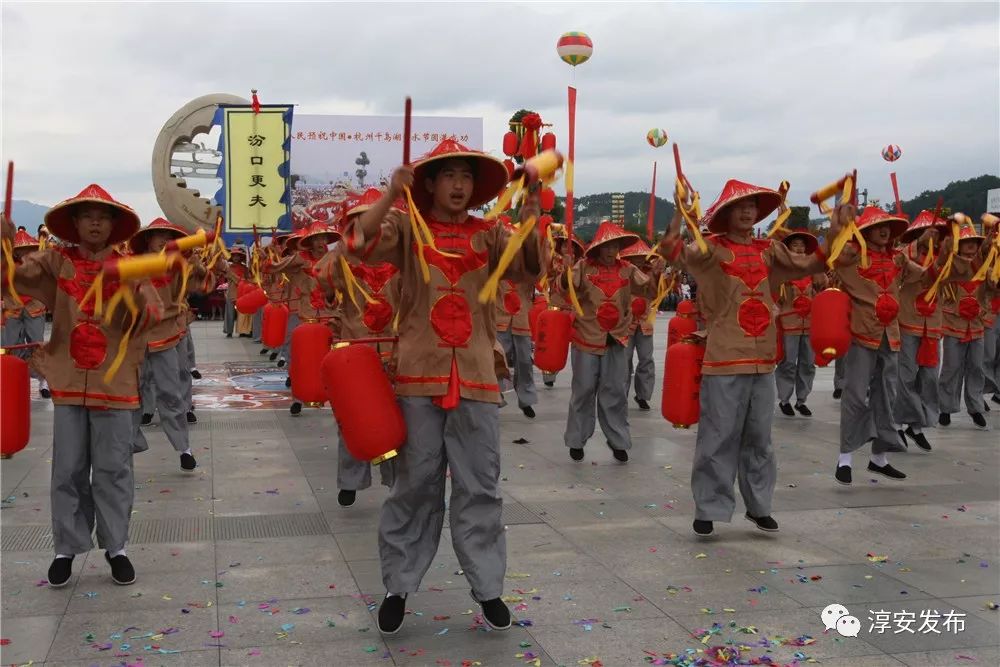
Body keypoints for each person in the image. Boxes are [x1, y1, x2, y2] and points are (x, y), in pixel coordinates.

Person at [346, 139, 542, 635]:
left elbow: (528, 266)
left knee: (480, 487)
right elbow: (359, 244)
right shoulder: (408, 230)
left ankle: (489, 587)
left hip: (476, 374)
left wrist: (533, 209)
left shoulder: (491, 233)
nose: (459, 186)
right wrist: (391, 194)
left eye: (467, 177)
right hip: (418, 374)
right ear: (429, 183)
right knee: (414, 485)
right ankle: (398, 585)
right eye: (449, 176)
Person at [2, 184, 163, 588]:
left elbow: (153, 313)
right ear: (74, 223)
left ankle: (116, 547)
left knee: (113, 469)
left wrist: (132, 301)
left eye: (103, 216)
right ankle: (65, 549)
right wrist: (3, 244)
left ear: (113, 224)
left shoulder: (129, 266)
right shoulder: (55, 262)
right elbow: (13, 279)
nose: (95, 222)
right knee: (68, 466)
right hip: (68, 378)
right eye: (87, 215)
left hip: (116, 379)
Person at [657, 179, 828, 536]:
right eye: (740, 206)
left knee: (760, 438)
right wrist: (678, 212)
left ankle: (759, 505)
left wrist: (841, 230)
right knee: (718, 436)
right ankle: (709, 506)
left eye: (752, 206)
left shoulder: (770, 251)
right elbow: (671, 250)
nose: (748, 211)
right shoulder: (710, 250)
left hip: (763, 358)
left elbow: (811, 264)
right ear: (726, 213)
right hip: (723, 356)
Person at [830, 206, 968, 487]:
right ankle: (844, 458)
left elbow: (929, 276)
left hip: (891, 335)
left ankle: (879, 458)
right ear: (866, 230)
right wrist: (839, 222)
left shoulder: (898, 259)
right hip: (861, 334)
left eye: (889, 227)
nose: (884, 231)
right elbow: (831, 251)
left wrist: (943, 247)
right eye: (878, 226)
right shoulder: (852, 258)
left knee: (887, 395)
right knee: (855, 395)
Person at [315, 188, 399, 507]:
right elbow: (321, 277)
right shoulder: (342, 263)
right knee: (353, 418)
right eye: (359, 223)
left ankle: (396, 479)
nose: (369, 228)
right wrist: (342, 249)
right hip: (355, 351)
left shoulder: (400, 263)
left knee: (396, 419)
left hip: (394, 350)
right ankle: (351, 481)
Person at [560, 220, 660, 462]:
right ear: (598, 247)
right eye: (607, 246)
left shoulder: (627, 269)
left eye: (615, 245)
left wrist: (656, 274)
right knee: (583, 390)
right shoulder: (583, 267)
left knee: (614, 391)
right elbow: (565, 289)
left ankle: (618, 440)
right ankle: (576, 439)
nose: (611, 251)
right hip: (586, 337)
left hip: (616, 338)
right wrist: (565, 268)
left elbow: (648, 291)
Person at [130, 218, 210, 469]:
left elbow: (203, 285)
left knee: (170, 391)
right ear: (147, 239)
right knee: (130, 393)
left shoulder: (178, 265)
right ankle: (127, 442)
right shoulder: (132, 264)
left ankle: (183, 448)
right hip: (135, 338)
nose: (163, 240)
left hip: (166, 334)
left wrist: (198, 263)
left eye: (168, 235)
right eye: (158, 235)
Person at [267, 221, 340, 415]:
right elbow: (276, 267)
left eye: (324, 238)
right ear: (311, 241)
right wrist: (268, 259)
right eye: (317, 238)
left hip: (330, 315)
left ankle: (335, 396)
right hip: (307, 314)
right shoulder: (300, 258)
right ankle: (297, 398)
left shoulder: (334, 258)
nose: (321, 242)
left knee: (332, 358)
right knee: (302, 358)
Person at [893, 210, 950, 450]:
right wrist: (918, 242)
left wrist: (946, 249)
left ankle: (916, 425)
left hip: (932, 326)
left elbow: (945, 274)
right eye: (929, 232)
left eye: (937, 234)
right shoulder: (904, 255)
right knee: (905, 376)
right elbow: (899, 265)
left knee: (928, 378)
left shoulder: (944, 259)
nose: (933, 237)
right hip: (908, 323)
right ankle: (899, 425)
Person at [938, 223, 996, 430]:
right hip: (955, 323)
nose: (971, 245)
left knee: (977, 367)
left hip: (977, 324)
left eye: (974, 242)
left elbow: (993, 286)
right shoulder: (950, 266)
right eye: (966, 242)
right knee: (952, 367)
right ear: (958, 246)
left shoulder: (984, 266)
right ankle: (945, 407)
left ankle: (975, 407)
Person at [773, 231, 825, 417]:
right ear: (788, 248)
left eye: (802, 245)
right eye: (795, 245)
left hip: (809, 323)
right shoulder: (782, 272)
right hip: (789, 322)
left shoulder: (812, 271)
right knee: (788, 362)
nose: (799, 248)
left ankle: (802, 400)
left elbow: (824, 288)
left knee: (808, 363)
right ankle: (785, 399)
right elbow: (775, 296)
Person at [496, 210, 539, 418]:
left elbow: (540, 276)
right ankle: (494, 395)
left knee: (524, 360)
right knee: (496, 357)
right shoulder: (495, 266)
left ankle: (526, 399)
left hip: (521, 319)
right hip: (498, 319)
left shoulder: (527, 269)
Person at [2, 228, 50, 397]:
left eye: (27, 249)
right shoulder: (5, 265)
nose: (24, 253)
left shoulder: (38, 265)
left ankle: (44, 381)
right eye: (20, 250)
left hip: (33, 308)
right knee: (11, 346)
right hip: (12, 309)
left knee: (37, 344)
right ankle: (12, 379)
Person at [619, 237, 659, 411]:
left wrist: (655, 276)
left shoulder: (650, 272)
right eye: (634, 256)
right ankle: (621, 394)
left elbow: (654, 294)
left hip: (644, 323)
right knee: (624, 359)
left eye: (641, 256)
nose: (638, 259)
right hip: (627, 322)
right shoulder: (623, 271)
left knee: (646, 359)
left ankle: (643, 394)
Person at [222, 244, 248, 337]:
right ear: (231, 257)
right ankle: (229, 331)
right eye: (234, 256)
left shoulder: (245, 268)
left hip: (241, 293)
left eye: (237, 256)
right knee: (229, 313)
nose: (236, 258)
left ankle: (242, 331)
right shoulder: (228, 268)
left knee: (242, 313)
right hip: (231, 292)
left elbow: (243, 281)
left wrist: (232, 275)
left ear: (240, 257)